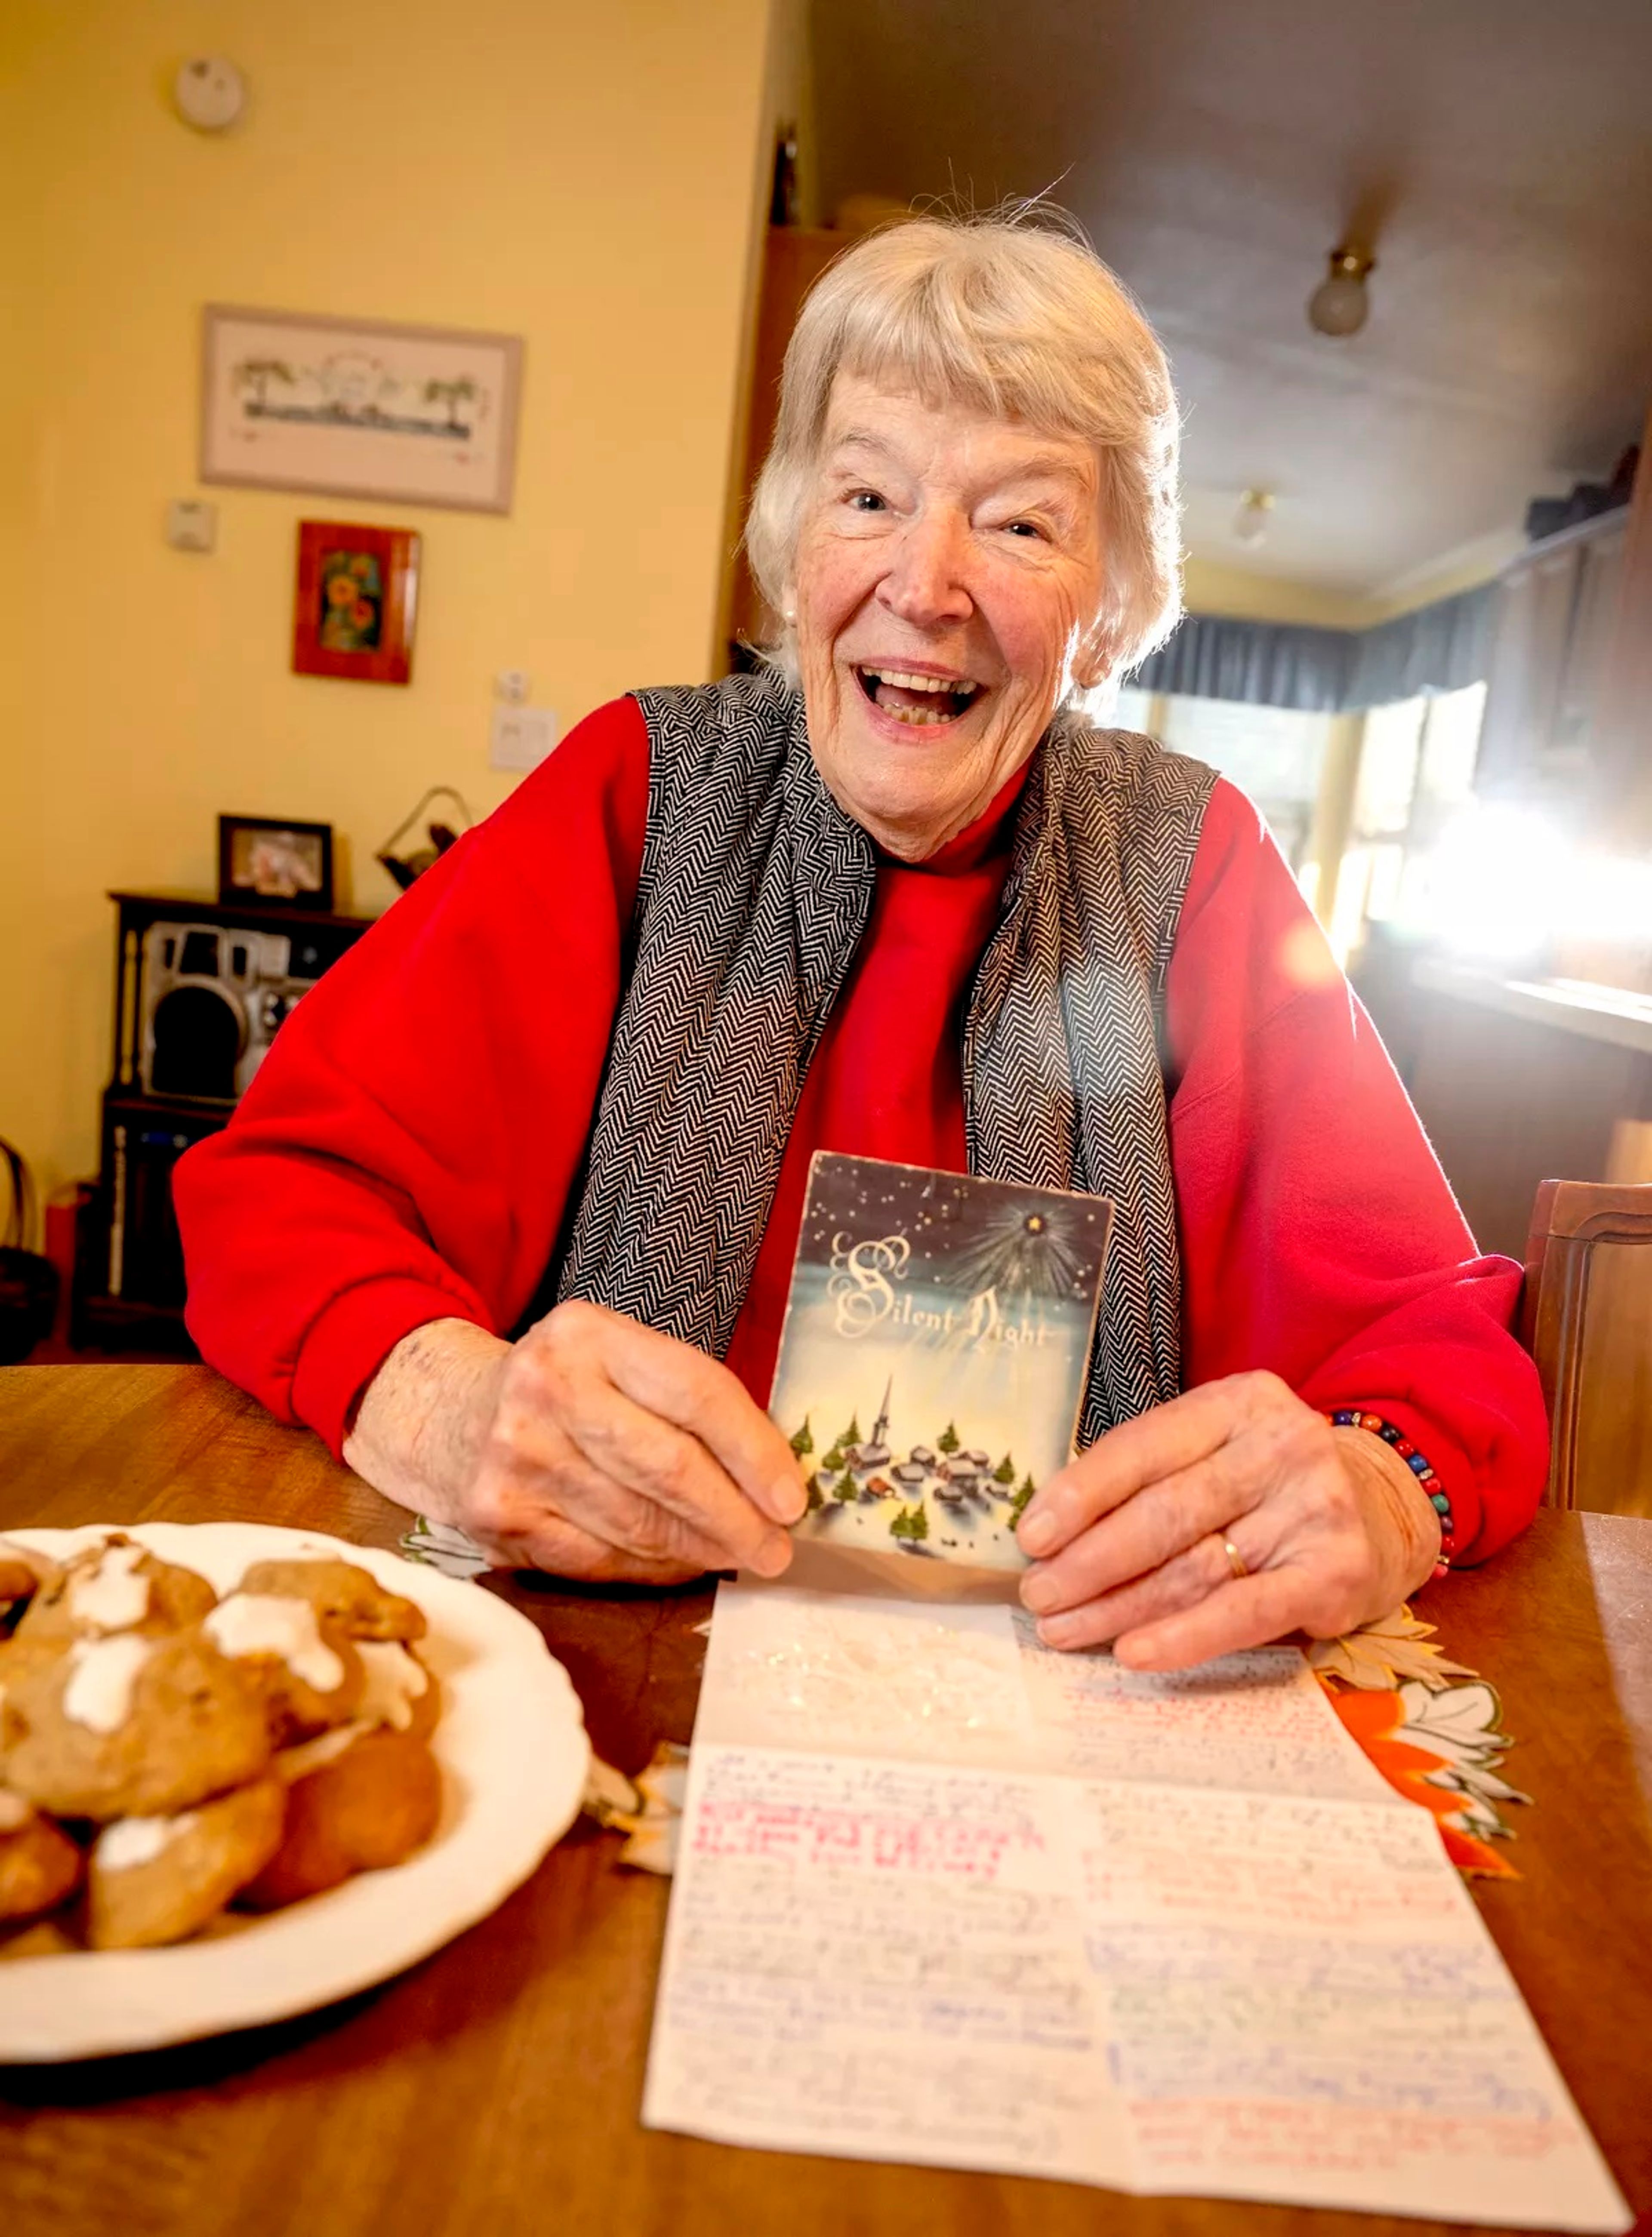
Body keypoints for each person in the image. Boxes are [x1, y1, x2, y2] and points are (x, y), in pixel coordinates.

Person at [176, 213, 1547, 1671]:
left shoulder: (1189, 859)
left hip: (1064, 1696)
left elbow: (1430, 1349)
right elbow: (285, 1195)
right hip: (601, 1663)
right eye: (871, 495)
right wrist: (446, 1405)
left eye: (1020, 523)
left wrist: (1376, 1492)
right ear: (792, 537)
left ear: (1109, 608)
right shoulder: (638, 788)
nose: (927, 585)